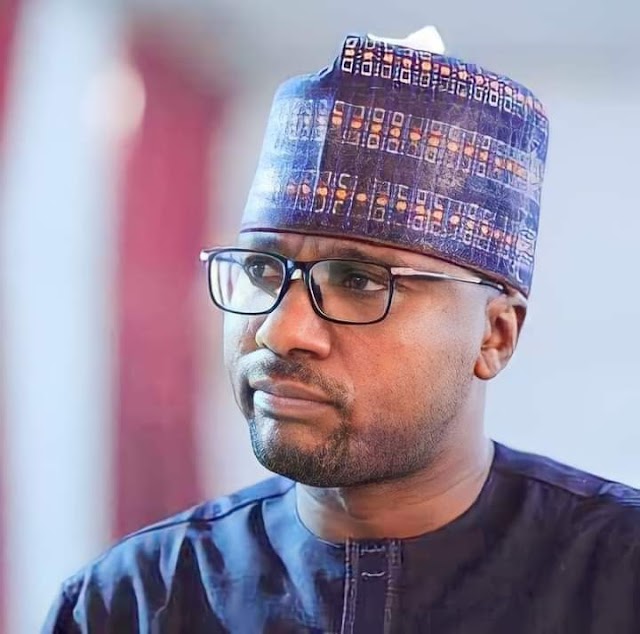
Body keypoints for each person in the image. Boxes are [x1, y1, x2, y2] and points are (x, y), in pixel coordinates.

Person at [44, 29, 640, 634]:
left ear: (495, 336)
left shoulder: (619, 573)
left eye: (359, 281)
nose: (281, 331)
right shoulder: (133, 602)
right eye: (261, 270)